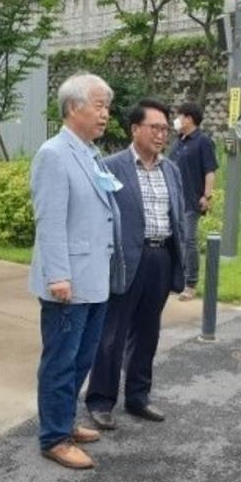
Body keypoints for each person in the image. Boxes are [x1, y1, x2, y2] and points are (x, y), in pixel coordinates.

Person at [28, 72, 125, 470]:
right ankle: (53, 437)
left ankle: (65, 422)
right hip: (68, 282)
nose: (106, 114)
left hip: (94, 277)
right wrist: (57, 277)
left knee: (81, 359)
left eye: (107, 106)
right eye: (99, 105)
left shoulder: (87, 151)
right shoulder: (53, 153)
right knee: (61, 361)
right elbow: (49, 221)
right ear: (73, 108)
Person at [86, 98, 187, 430]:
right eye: (154, 128)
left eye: (164, 129)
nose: (161, 135)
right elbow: (99, 215)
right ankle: (101, 401)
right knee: (111, 333)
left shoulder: (170, 168)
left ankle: (138, 397)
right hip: (126, 259)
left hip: (160, 257)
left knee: (148, 332)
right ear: (135, 129)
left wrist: (180, 259)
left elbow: (180, 217)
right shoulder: (111, 166)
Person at [168, 102, 218, 301]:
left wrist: (207, 196)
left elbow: (210, 170)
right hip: (174, 200)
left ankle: (191, 283)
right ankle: (177, 280)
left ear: (189, 118)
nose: (177, 120)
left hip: (191, 200)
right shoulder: (179, 141)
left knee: (189, 240)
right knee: (175, 241)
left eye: (180, 116)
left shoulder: (203, 141)